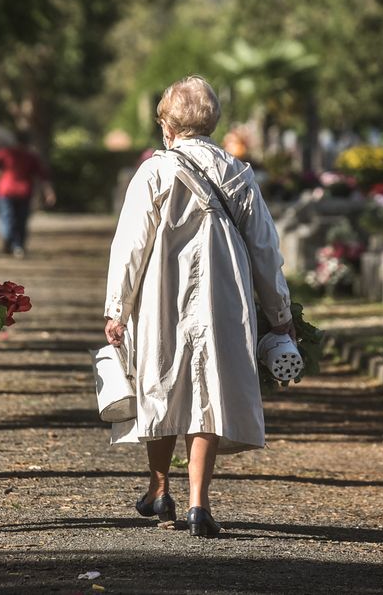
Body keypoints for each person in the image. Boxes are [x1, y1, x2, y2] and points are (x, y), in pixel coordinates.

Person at [102, 75, 293, 538]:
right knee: (209, 391)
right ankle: (199, 503)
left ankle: (159, 488)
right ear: (213, 122)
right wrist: (279, 310)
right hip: (222, 297)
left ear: (166, 125)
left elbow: (130, 245)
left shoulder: (154, 171)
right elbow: (264, 247)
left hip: (160, 295)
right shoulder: (237, 172)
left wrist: (117, 308)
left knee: (161, 383)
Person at [0, 135, 55, 257]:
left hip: (7, 191)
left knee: (8, 218)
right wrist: (49, 192)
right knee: (21, 220)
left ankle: (8, 239)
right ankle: (18, 245)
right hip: (22, 191)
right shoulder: (30, 156)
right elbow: (43, 177)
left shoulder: (5, 152)